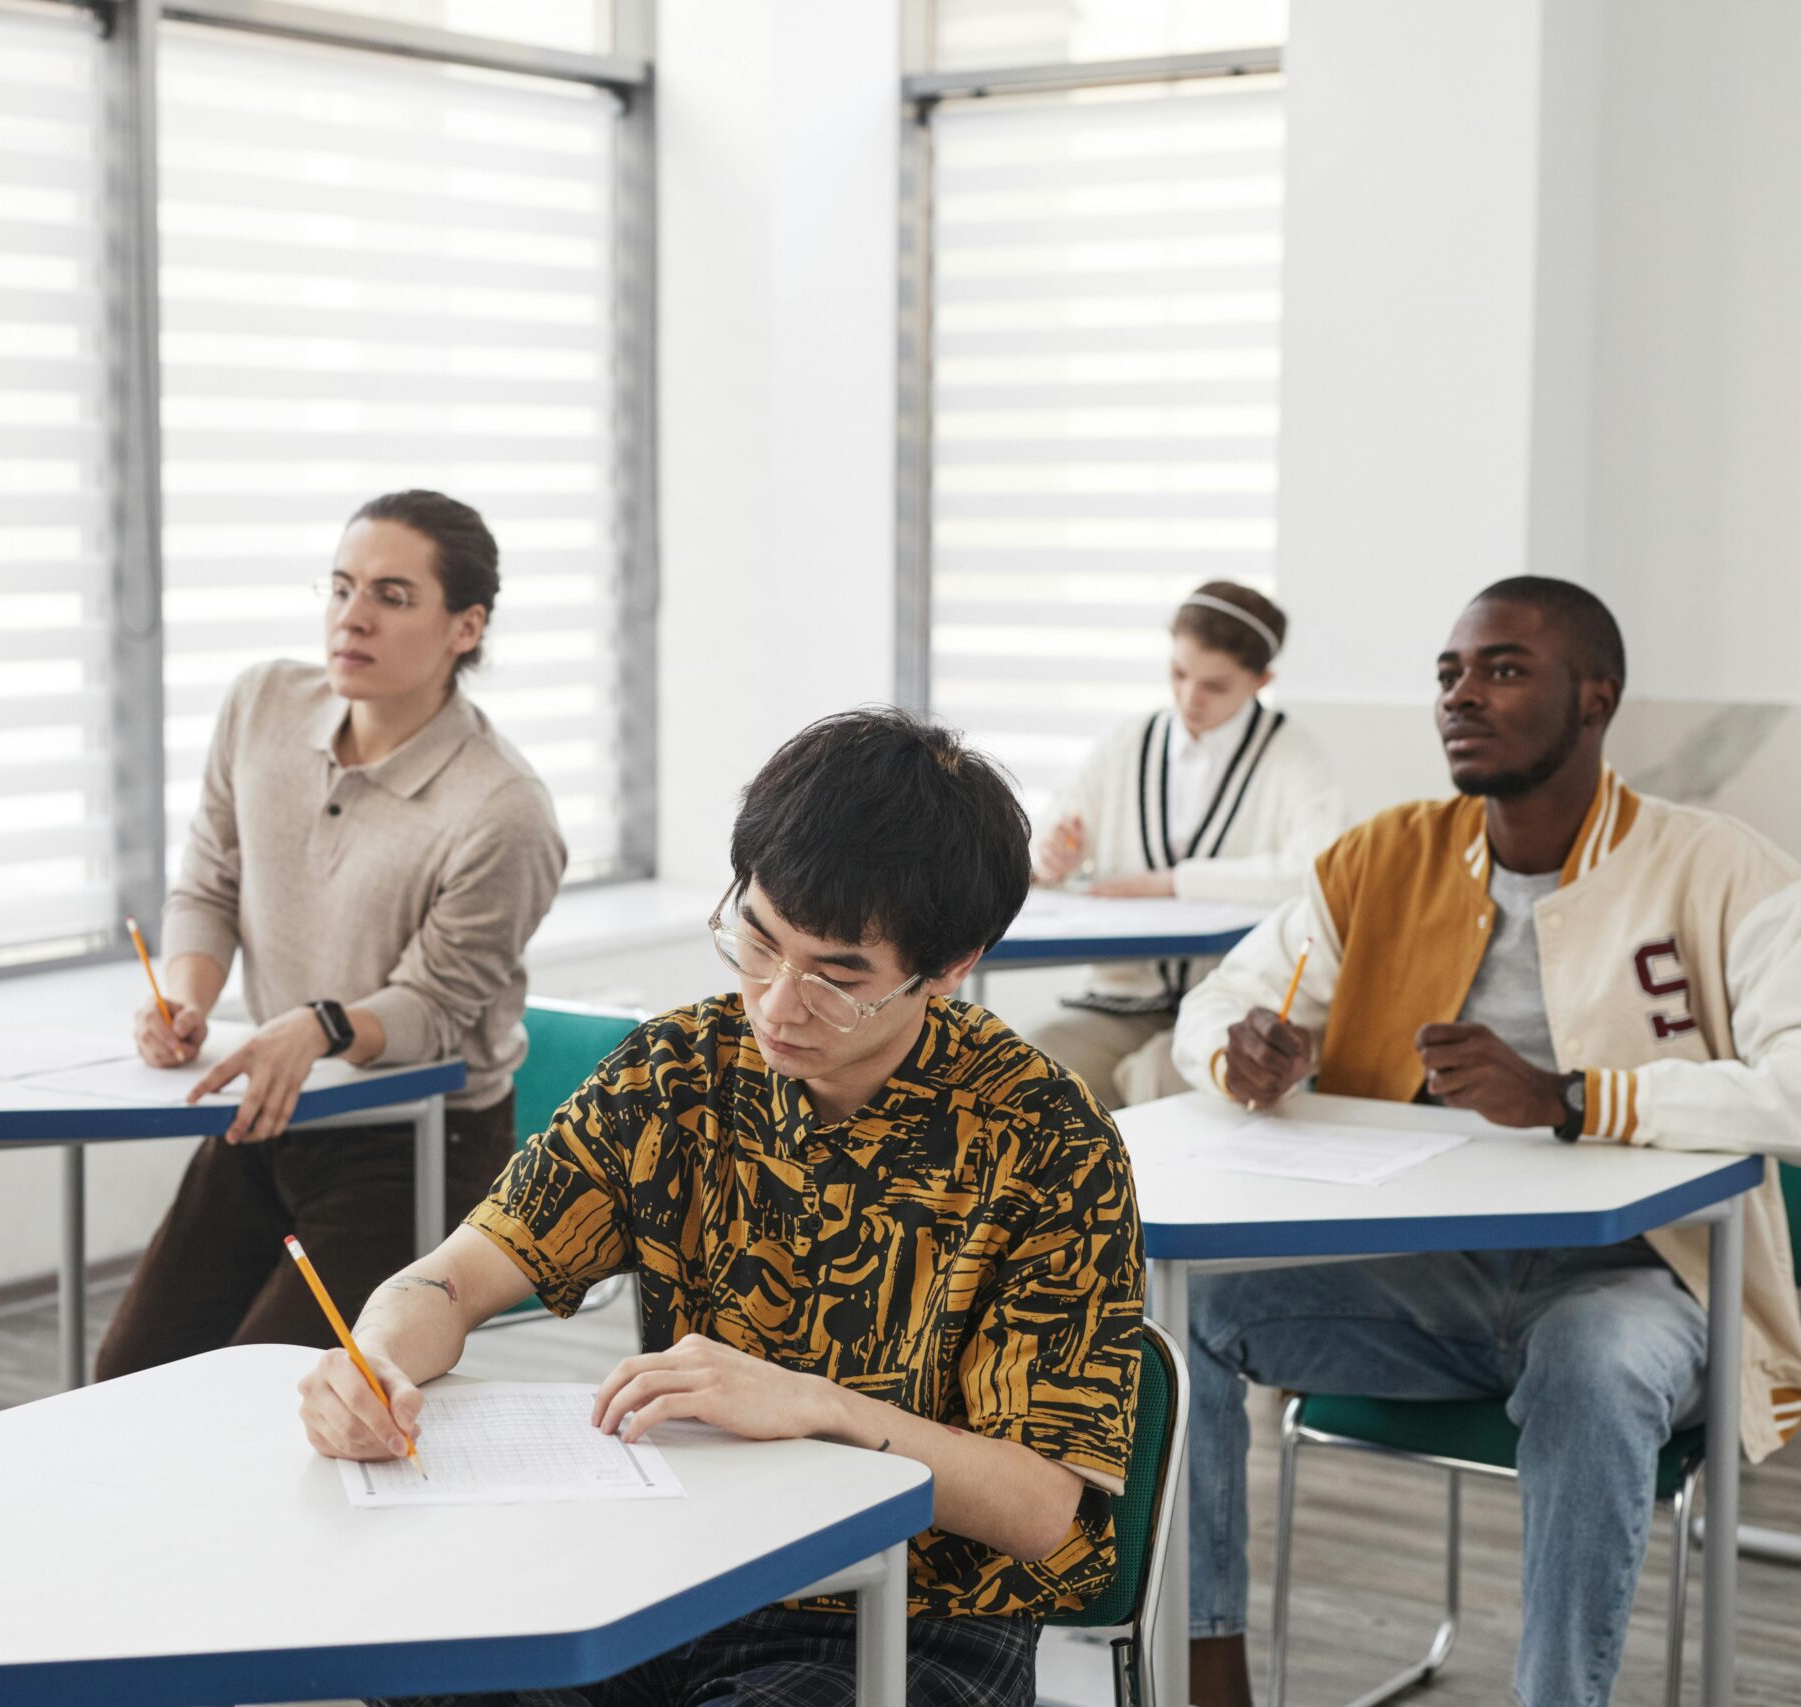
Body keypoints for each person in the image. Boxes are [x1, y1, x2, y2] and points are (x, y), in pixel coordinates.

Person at [296, 710, 1145, 1707]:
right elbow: (452, 1276)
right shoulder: (679, 1071)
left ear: (950, 965)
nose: (778, 1003)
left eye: (838, 977)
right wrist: (377, 1359)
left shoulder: (1043, 1139)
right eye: (756, 941)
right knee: (419, 1662)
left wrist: (820, 1408)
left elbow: (1045, 1509)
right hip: (675, 1565)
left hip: (919, 1614)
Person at [1168, 577, 1801, 1707]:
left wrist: (1573, 1097)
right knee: (1186, 1313)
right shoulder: (1384, 857)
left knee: (1591, 1363)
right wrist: (1241, 1053)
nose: (1461, 696)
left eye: (1502, 670)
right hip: (1432, 1284)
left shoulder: (1719, 867)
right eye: (1449, 675)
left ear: (1593, 699)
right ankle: (1201, 1667)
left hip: (1643, 1283)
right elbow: (1219, 1006)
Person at [94, 490, 566, 1380]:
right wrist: (186, 1000)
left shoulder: (504, 809)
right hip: (273, 1111)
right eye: (342, 587)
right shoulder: (262, 704)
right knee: (127, 1377)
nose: (352, 617)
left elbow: (433, 1007)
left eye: (392, 596)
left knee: (266, 1397)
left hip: (418, 1140)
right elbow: (210, 882)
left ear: (466, 627)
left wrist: (315, 1025)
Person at [1025, 582, 1344, 1109]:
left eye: (1215, 686)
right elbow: (1056, 831)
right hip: (1122, 1000)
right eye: (1178, 674)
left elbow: (1316, 872)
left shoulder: (1295, 757)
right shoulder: (1127, 742)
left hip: (1233, 1003)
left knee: (1156, 1077)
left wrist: (1174, 883)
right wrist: (1054, 855)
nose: (1189, 698)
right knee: (1030, 1064)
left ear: (1262, 681)